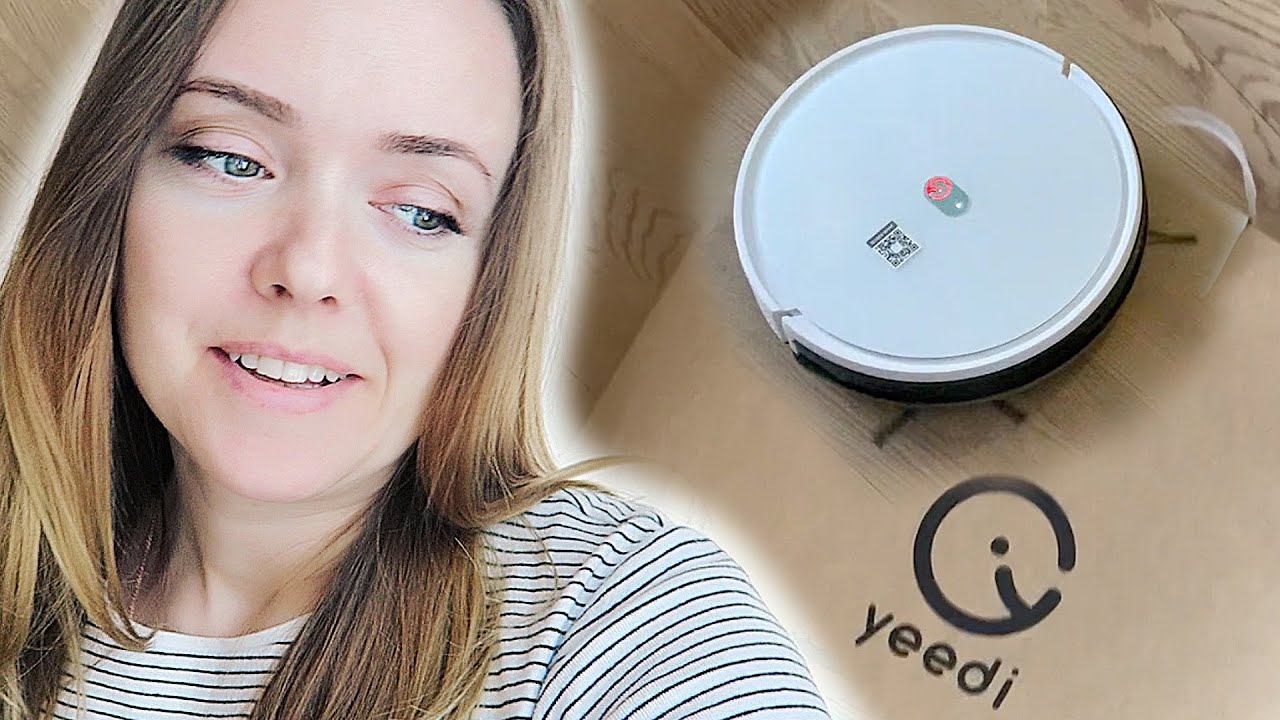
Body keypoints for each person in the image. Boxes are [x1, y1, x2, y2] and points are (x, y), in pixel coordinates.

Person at [0, 1, 833, 718]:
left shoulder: (616, 615)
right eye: (231, 158)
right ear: (114, 179)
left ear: (490, 282)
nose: (309, 270)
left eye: (422, 212)